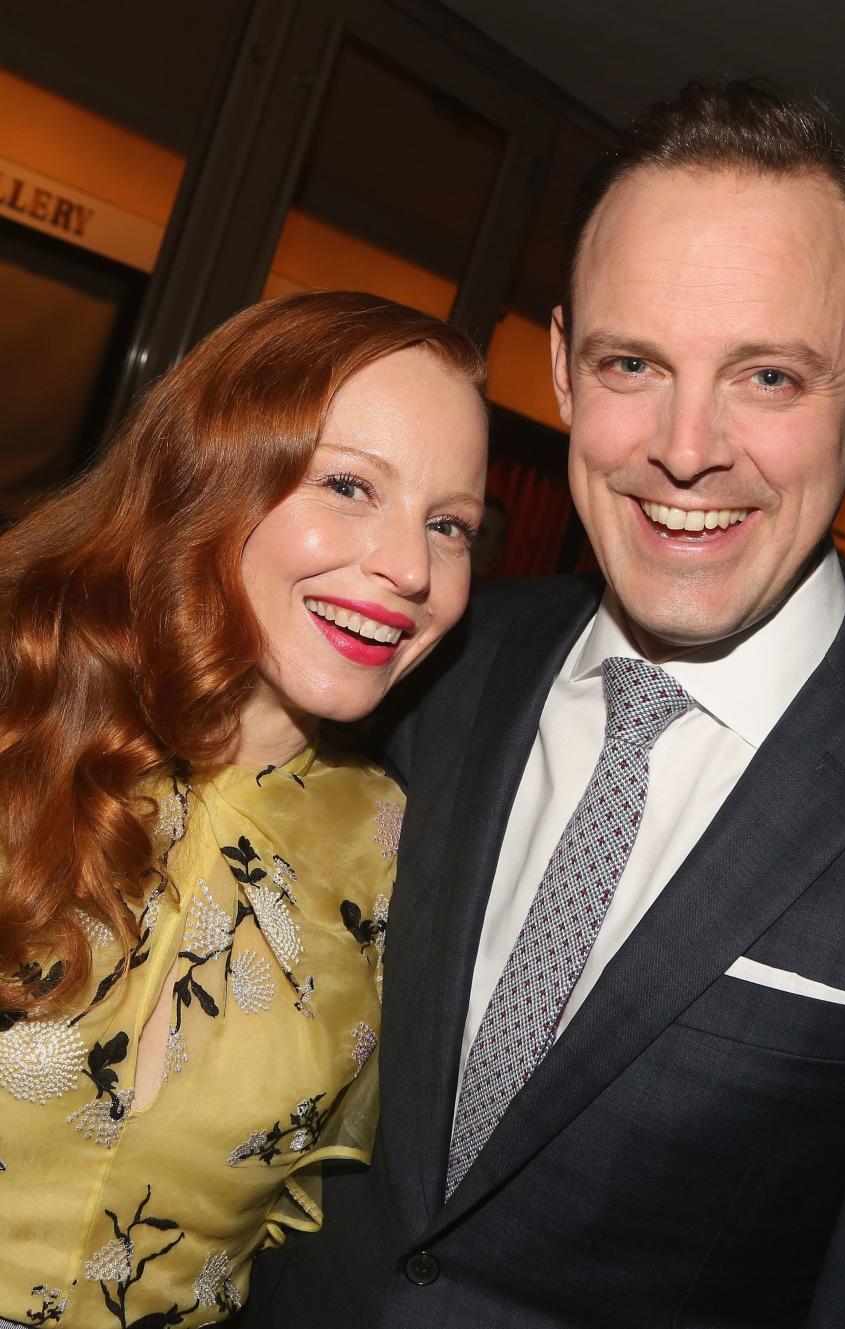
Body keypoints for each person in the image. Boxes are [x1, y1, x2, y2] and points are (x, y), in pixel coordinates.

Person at [243, 82, 845, 1327]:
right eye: (635, 362)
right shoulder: (418, 663)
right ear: (566, 367)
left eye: (770, 377)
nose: (687, 447)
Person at [0, 290, 487, 1327]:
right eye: (350, 484)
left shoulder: (398, 852)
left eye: (451, 525)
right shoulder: (17, 705)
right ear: (215, 473)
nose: (411, 568)